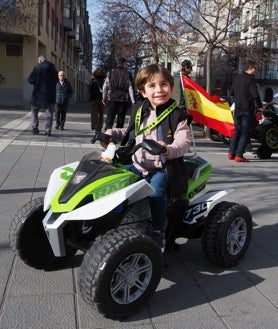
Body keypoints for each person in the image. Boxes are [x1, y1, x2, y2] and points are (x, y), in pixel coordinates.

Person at [103, 64, 191, 251]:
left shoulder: (177, 115)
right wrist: (112, 133)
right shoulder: (139, 109)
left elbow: (183, 143)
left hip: (161, 168)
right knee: (109, 179)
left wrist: (168, 149)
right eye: (152, 86)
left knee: (157, 192)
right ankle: (111, 220)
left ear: (172, 88)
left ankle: (159, 232)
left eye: (164, 84)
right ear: (143, 92)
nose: (159, 90)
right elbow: (129, 132)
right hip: (136, 164)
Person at [228, 59, 263, 162]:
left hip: (237, 109)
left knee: (237, 131)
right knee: (245, 133)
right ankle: (239, 155)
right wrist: (260, 106)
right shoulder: (250, 80)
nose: (255, 71)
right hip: (247, 109)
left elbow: (231, 93)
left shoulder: (237, 78)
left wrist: (237, 101)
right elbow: (255, 95)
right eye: (255, 69)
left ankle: (231, 153)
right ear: (250, 68)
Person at [28, 55, 58, 136]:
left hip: (37, 95)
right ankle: (48, 130)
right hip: (49, 95)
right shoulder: (53, 69)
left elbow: (30, 80)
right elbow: (56, 80)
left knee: (34, 111)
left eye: (38, 61)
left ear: (40, 61)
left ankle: (34, 128)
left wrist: (37, 82)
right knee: (49, 113)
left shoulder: (37, 68)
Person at [102, 57, 135, 130]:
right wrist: (132, 101)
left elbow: (105, 86)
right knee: (121, 119)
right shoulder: (127, 74)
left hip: (112, 98)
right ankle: (117, 136)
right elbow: (130, 88)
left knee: (110, 118)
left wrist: (104, 98)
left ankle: (108, 134)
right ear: (124, 64)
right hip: (123, 99)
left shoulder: (110, 73)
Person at [88, 67, 106, 134]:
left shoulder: (92, 81)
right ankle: (99, 128)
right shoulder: (104, 81)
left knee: (94, 114)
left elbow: (89, 91)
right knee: (101, 114)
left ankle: (95, 126)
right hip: (102, 99)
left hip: (93, 99)